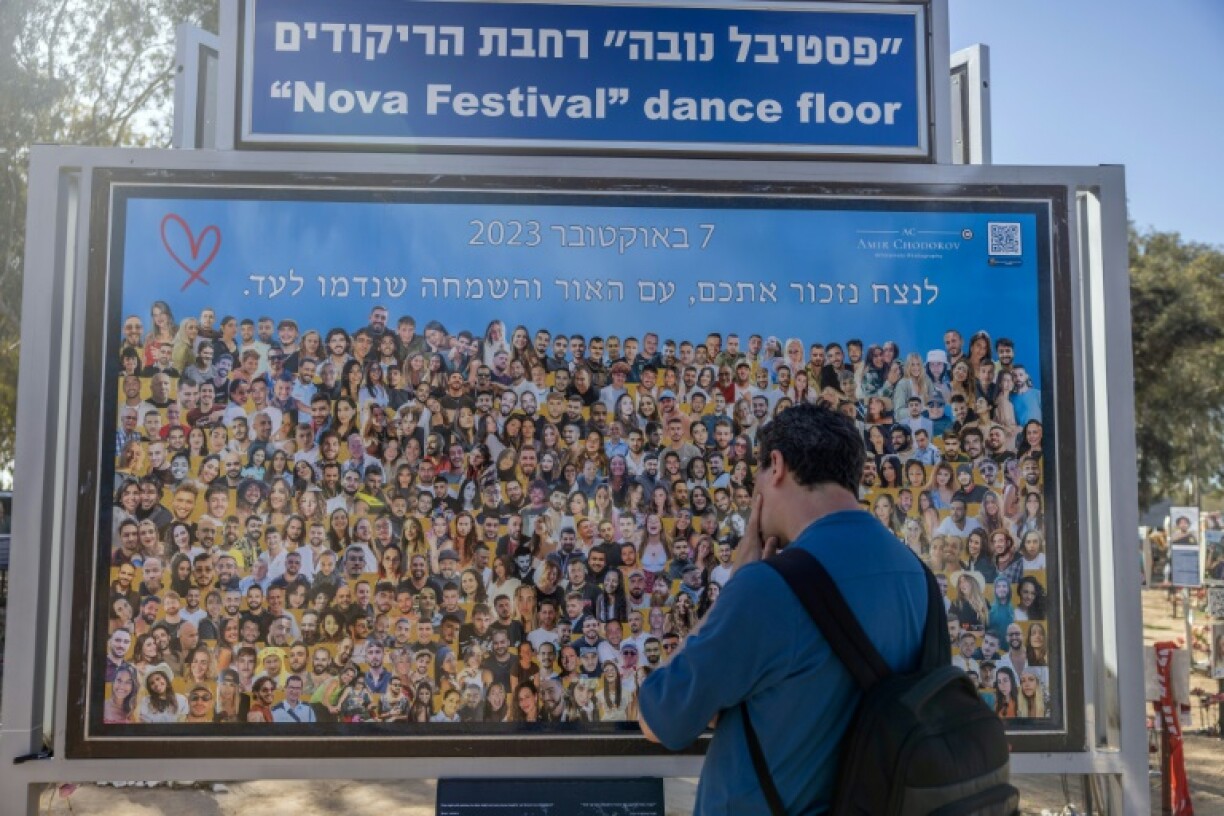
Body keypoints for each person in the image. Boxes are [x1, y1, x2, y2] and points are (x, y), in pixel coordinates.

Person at [637, 404, 928, 813]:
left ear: (776, 466)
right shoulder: (918, 576)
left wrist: (736, 586)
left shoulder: (766, 587)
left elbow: (659, 718)